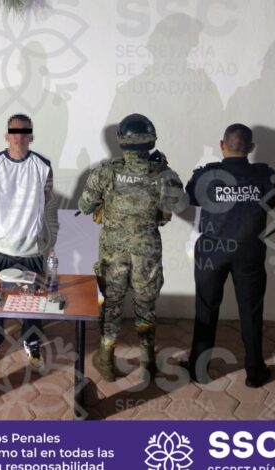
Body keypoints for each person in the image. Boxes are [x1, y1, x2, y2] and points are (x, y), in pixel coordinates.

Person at [78, 114, 187, 382]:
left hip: (112, 252)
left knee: (112, 305)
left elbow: (84, 207)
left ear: (121, 142)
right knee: (145, 304)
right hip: (147, 251)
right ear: (151, 141)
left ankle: (106, 359)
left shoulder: (105, 172)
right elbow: (181, 205)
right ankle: (147, 360)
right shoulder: (163, 174)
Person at [184, 123, 275, 388]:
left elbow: (190, 198)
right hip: (249, 253)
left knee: (206, 308)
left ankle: (199, 370)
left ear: (221, 145)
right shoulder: (265, 176)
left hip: (212, 253)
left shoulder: (206, 175)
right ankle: (255, 372)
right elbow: (272, 203)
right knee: (251, 312)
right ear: (251, 147)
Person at [0, 113, 54, 373]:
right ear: (6, 135)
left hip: (30, 247)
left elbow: (46, 198)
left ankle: (32, 341)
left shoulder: (43, 166)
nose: (19, 136)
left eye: (24, 132)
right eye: (14, 131)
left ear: (32, 136)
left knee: (33, 299)